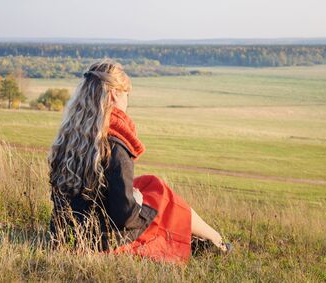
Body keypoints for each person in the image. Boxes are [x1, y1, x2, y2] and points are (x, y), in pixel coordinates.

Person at [48, 58, 232, 264]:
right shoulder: (114, 143)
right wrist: (139, 203)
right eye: (127, 94)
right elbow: (125, 217)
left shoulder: (71, 136)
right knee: (160, 196)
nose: (128, 101)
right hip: (100, 241)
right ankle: (216, 240)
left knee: (149, 183)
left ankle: (201, 240)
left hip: (66, 235)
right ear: (114, 94)